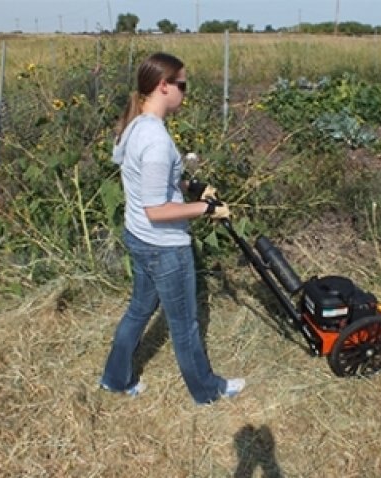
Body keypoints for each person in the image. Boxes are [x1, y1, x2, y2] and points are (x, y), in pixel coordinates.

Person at [99, 52, 245, 404]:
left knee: (139, 309)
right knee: (185, 325)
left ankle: (114, 379)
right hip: (163, 246)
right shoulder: (156, 142)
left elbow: (156, 185)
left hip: (139, 238)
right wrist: (207, 208)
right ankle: (207, 391)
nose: (185, 92)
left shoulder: (136, 127)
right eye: (182, 85)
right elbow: (157, 209)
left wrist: (191, 189)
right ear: (163, 86)